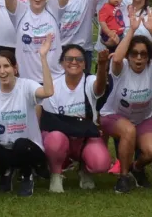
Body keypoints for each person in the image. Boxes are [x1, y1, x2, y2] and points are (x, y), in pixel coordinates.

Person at [96, 8, 152, 192]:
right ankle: (123, 177)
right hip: (113, 115)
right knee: (128, 130)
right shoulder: (122, 67)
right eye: (134, 53)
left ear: (149, 57)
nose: (139, 58)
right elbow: (117, 58)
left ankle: (137, 168)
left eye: (143, 54)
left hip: (142, 119)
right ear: (129, 55)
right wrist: (132, 30)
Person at [0, 38, 57, 196]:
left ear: (15, 68)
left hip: (29, 148)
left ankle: (27, 175)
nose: (2, 71)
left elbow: (48, 92)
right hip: (5, 147)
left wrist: (43, 57)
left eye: (6, 66)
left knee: (20, 145)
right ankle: (6, 172)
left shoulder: (26, 86)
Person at [40, 43, 111, 192]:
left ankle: (84, 170)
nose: (74, 62)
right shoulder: (54, 86)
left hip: (84, 138)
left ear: (85, 64)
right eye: (69, 59)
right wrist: (79, 125)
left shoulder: (90, 81)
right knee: (55, 139)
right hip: (62, 137)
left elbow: (100, 88)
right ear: (62, 63)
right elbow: (52, 122)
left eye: (79, 59)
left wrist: (102, 65)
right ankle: (56, 174)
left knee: (101, 163)